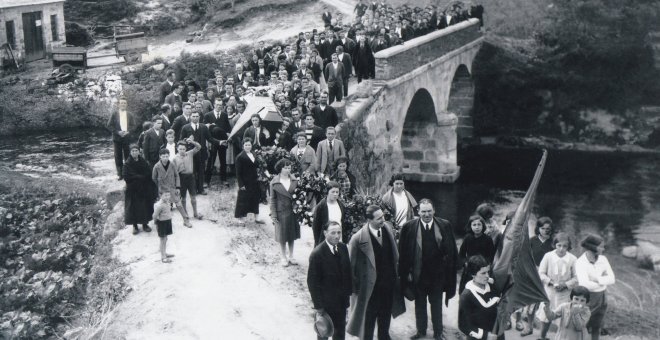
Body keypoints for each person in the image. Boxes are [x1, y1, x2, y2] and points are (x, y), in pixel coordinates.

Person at [398, 199, 459, 340]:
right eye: (423, 211)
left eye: (429, 211)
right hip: (418, 274)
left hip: (438, 275)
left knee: (437, 305)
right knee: (419, 305)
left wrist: (451, 271)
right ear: (418, 211)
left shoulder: (444, 225)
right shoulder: (409, 227)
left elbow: (452, 250)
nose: (426, 214)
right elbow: (403, 253)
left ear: (434, 211)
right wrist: (405, 273)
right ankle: (421, 331)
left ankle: (438, 332)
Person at [347, 205, 406, 340]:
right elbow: (351, 266)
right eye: (379, 218)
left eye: (383, 216)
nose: (383, 220)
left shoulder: (387, 229)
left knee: (385, 317)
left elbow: (394, 255)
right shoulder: (357, 239)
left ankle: (384, 336)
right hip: (370, 289)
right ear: (369, 220)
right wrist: (354, 288)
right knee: (368, 321)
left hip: (388, 285)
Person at [307, 220, 352, 340]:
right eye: (333, 233)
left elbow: (347, 274)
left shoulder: (343, 248)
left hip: (341, 303)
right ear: (325, 233)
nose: (337, 236)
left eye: (339, 232)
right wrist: (319, 307)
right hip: (325, 305)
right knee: (324, 333)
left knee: (340, 334)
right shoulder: (317, 254)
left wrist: (347, 300)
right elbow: (312, 283)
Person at [538, 232, 578, 340]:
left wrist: (565, 284)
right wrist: (550, 282)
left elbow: (576, 277)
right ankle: (542, 336)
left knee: (564, 316)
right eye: (559, 245)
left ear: (568, 246)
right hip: (550, 291)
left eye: (565, 246)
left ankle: (561, 337)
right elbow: (541, 273)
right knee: (546, 314)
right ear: (554, 245)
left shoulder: (573, 259)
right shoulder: (548, 256)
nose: (561, 249)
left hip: (565, 293)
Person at [575, 234, 615, 340]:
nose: (603, 248)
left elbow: (612, 279)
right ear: (593, 247)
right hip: (587, 298)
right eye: (601, 246)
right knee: (583, 326)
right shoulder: (580, 262)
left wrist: (597, 280)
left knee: (597, 326)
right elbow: (585, 284)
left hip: (602, 297)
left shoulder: (603, 259)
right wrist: (603, 282)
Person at [522, 216, 556, 336]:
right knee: (531, 303)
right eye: (543, 228)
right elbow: (525, 258)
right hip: (534, 275)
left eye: (548, 228)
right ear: (538, 228)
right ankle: (529, 326)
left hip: (548, 277)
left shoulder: (553, 243)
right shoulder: (532, 241)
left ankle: (543, 332)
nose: (546, 230)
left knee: (546, 304)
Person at [458, 255, 502, 340]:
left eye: (487, 272)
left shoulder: (493, 286)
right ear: (473, 275)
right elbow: (463, 325)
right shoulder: (466, 296)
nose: (487, 276)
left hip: (496, 335)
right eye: (483, 273)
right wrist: (485, 335)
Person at [180, 111, 222, 195]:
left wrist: (219, 142)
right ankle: (193, 190)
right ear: (190, 117)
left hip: (202, 152)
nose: (195, 118)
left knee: (201, 171)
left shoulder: (203, 127)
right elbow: (181, 140)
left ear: (199, 117)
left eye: (197, 116)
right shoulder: (185, 127)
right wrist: (187, 140)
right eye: (193, 116)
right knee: (192, 171)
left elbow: (210, 138)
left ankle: (201, 189)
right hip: (190, 153)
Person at [269, 159, 301, 266]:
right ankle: (283, 256)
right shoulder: (274, 182)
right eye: (285, 168)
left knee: (291, 234)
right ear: (280, 168)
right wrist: (273, 214)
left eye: (289, 168)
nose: (288, 170)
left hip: (292, 211)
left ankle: (291, 256)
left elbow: (300, 195)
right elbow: (272, 199)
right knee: (282, 235)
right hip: (280, 211)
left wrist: (299, 207)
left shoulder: (295, 180)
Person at [152, 148, 192, 228]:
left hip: (172, 188)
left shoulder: (172, 164)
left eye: (167, 156)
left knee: (179, 204)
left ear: (169, 156)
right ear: (160, 156)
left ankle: (185, 219)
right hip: (163, 190)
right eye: (163, 156)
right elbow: (154, 178)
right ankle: (158, 221)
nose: (165, 158)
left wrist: (177, 187)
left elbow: (177, 176)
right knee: (163, 206)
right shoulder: (156, 166)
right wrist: (159, 187)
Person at [123, 144, 155, 235]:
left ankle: (145, 224)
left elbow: (148, 173)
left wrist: (139, 178)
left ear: (139, 152)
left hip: (143, 188)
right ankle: (135, 226)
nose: (134, 152)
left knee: (144, 206)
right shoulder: (127, 164)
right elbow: (126, 177)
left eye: (136, 151)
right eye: (133, 151)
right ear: (130, 152)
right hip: (133, 189)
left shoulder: (143, 161)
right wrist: (139, 177)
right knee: (133, 208)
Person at [459, 215, 496, 293]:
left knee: (482, 290)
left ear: (483, 226)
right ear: (470, 226)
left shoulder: (487, 239)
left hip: (483, 269)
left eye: (479, 224)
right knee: (467, 290)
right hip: (469, 269)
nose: (477, 227)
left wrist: (487, 265)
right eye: (474, 225)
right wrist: (465, 263)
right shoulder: (467, 238)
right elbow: (461, 254)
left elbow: (491, 255)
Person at [172, 138, 203, 220]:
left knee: (193, 196)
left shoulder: (189, 153)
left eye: (183, 149)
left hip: (190, 178)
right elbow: (174, 172)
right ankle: (185, 214)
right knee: (183, 197)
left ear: (186, 149)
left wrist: (192, 141)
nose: (182, 150)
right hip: (181, 178)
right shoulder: (174, 158)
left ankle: (195, 213)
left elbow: (199, 147)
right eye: (180, 149)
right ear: (177, 149)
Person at [107, 97, 137, 180]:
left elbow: (134, 126)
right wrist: (118, 132)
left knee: (128, 155)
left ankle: (128, 173)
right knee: (118, 156)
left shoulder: (130, 114)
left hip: (127, 138)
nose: (123, 104)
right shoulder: (114, 114)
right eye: (121, 103)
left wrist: (128, 131)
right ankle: (120, 174)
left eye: (124, 103)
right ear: (118, 105)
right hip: (117, 138)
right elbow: (109, 125)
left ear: (126, 105)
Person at [234, 138, 262, 224]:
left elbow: (257, 165)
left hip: (254, 180)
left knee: (255, 198)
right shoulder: (240, 157)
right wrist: (241, 184)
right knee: (243, 199)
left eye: (249, 145)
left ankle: (256, 217)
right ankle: (240, 217)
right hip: (245, 181)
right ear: (243, 146)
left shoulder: (253, 154)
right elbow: (238, 173)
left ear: (251, 146)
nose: (248, 146)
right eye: (246, 145)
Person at [152, 192, 175, 263]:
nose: (167, 197)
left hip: (167, 222)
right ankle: (163, 257)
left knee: (165, 239)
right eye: (165, 195)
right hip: (162, 223)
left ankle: (164, 253)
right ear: (160, 195)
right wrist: (157, 223)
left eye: (168, 195)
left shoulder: (167, 202)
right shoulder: (159, 205)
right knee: (163, 240)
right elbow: (154, 216)